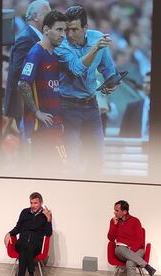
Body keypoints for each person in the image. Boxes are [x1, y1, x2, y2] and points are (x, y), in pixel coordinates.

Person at [54, 5, 118, 174]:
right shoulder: (62, 46)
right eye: (67, 29)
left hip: (91, 106)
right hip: (68, 108)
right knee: (72, 163)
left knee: (98, 158)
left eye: (74, 29)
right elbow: (76, 69)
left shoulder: (97, 37)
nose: (69, 34)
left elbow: (108, 69)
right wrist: (95, 48)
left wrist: (112, 82)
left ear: (85, 28)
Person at [18, 10, 68, 169]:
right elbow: (23, 84)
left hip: (55, 127)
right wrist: (36, 112)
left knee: (61, 168)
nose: (63, 35)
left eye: (65, 30)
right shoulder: (36, 53)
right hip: (40, 130)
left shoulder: (54, 55)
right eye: (59, 30)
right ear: (46, 29)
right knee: (44, 170)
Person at [2, 0, 51, 138]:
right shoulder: (26, 38)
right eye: (48, 14)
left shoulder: (36, 37)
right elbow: (18, 70)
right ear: (36, 17)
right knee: (26, 146)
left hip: (32, 103)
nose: (51, 19)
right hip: (23, 105)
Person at [107, 200, 156, 276]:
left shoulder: (135, 221)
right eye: (114, 210)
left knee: (130, 263)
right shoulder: (114, 221)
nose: (114, 212)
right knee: (119, 248)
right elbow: (110, 238)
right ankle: (146, 265)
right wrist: (114, 225)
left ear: (124, 212)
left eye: (117, 210)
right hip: (121, 250)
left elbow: (140, 240)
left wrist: (130, 249)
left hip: (136, 249)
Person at [4, 192, 52, 276]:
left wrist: (48, 220)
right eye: (31, 203)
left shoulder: (45, 215)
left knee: (27, 249)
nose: (33, 205)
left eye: (35, 203)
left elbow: (48, 234)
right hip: (21, 243)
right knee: (25, 246)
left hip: (36, 245)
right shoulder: (24, 212)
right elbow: (18, 228)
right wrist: (9, 233)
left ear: (41, 202)